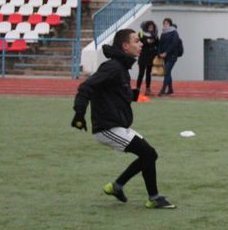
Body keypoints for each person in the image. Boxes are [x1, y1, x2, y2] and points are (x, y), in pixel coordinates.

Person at [71, 28, 176, 209]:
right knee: (148, 154)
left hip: (117, 125)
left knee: (150, 155)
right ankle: (154, 198)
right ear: (125, 46)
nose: (141, 43)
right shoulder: (112, 67)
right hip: (107, 128)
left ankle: (116, 186)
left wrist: (135, 96)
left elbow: (119, 92)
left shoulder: (121, 67)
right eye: (136, 41)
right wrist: (79, 114)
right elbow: (86, 87)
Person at [157, 17, 183, 96]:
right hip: (165, 56)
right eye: (164, 23)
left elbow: (174, 44)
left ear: (170, 24)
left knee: (166, 71)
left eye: (167, 23)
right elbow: (160, 44)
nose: (165, 25)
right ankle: (170, 89)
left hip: (172, 55)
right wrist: (159, 53)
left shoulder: (174, 32)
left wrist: (166, 52)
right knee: (168, 72)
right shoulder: (163, 33)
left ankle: (163, 89)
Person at [135, 20, 159, 96]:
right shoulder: (141, 33)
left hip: (151, 56)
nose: (151, 28)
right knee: (141, 73)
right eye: (149, 27)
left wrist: (156, 52)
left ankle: (148, 90)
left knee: (148, 74)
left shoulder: (155, 35)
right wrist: (146, 42)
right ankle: (137, 89)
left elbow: (158, 44)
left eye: (152, 27)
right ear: (146, 27)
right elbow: (139, 43)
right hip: (143, 56)